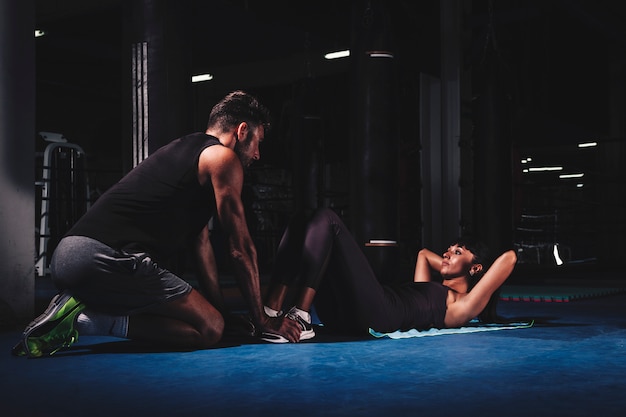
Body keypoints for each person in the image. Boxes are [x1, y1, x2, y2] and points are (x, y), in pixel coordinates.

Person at [13, 90, 301, 358]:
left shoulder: (189, 152)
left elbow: (201, 245)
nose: (257, 155)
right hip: (105, 258)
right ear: (241, 131)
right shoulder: (223, 158)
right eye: (257, 142)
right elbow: (240, 246)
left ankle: (80, 308)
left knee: (215, 322)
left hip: (71, 257)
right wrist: (262, 320)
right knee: (208, 329)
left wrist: (223, 313)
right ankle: (85, 320)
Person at [261, 208, 517, 343]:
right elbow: (423, 254)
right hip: (343, 317)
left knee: (328, 220)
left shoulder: (462, 305)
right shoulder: (429, 288)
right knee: (301, 219)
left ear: (476, 268)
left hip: (379, 313)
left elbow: (509, 258)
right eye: (448, 251)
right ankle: (271, 311)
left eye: (457, 251)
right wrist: (452, 264)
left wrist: (466, 273)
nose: (447, 254)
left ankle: (302, 315)